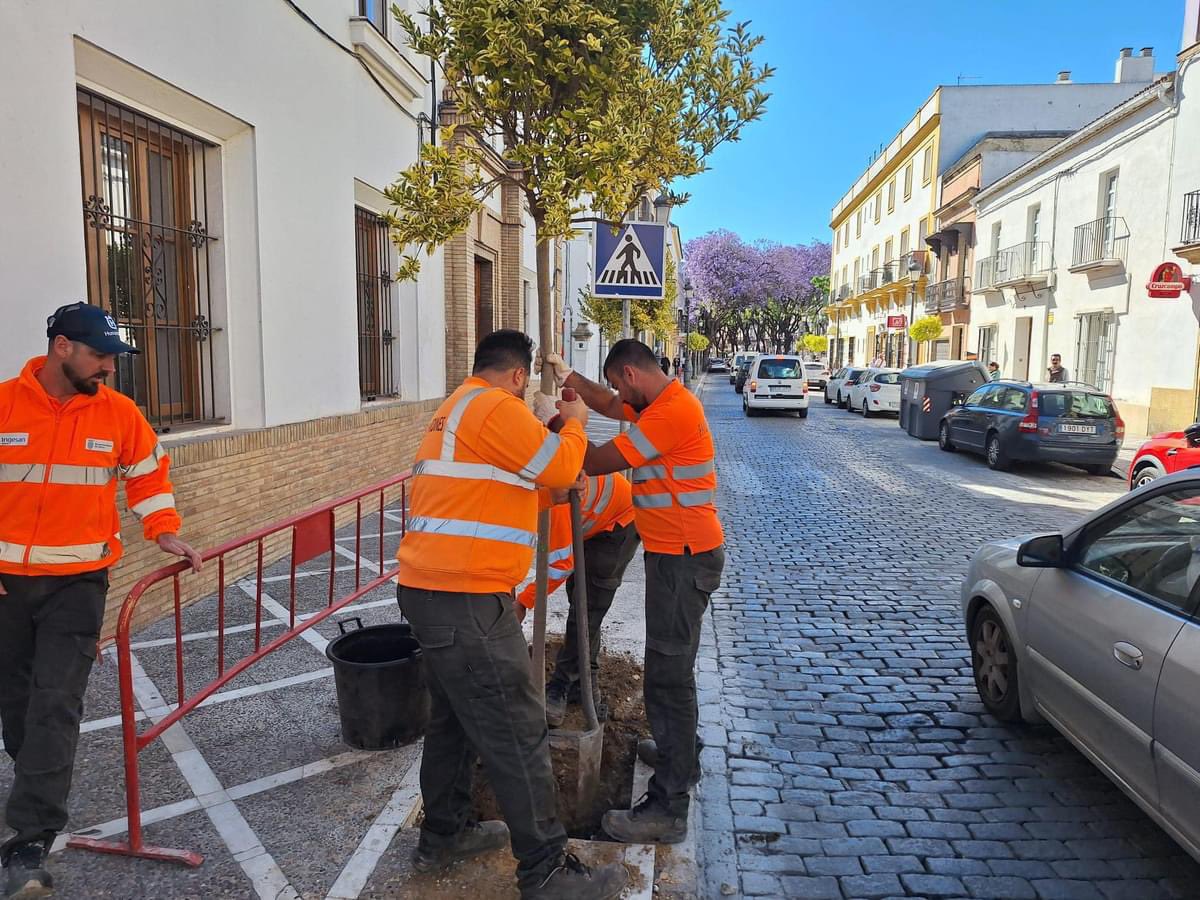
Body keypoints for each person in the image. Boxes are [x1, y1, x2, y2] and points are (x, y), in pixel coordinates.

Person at [396, 330, 626, 900]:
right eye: (528, 391)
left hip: (430, 591)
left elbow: (503, 490)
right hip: (467, 598)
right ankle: (545, 871)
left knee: (451, 720)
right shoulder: (495, 406)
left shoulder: (455, 409)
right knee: (516, 729)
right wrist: (572, 419)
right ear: (520, 377)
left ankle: (444, 834)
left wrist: (553, 483)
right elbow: (556, 462)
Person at [0, 303, 203, 898]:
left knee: (56, 702)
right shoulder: (5, 403)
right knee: (17, 700)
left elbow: (147, 476)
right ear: (62, 347)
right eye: (100, 356)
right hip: (6, 583)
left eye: (114, 358)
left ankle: (31, 838)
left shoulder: (119, 414)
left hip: (79, 583)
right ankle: (33, 776)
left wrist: (163, 527)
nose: (110, 368)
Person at [540, 340, 724, 845]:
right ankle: (676, 754)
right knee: (670, 668)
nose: (619, 396)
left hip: (683, 560)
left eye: (620, 384)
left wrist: (561, 422)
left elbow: (596, 460)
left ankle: (669, 804)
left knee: (667, 675)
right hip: (677, 555)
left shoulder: (670, 415)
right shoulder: (658, 400)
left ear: (632, 374)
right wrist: (568, 377)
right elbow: (604, 402)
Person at [516, 473, 640, 727]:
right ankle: (586, 684)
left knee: (586, 610)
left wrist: (523, 602)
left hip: (619, 524)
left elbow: (560, 565)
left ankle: (559, 687)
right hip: (590, 520)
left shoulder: (554, 495)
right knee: (579, 597)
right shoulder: (525, 489)